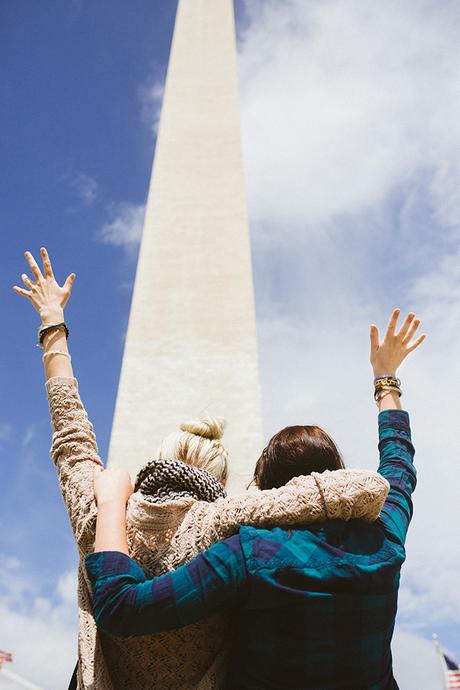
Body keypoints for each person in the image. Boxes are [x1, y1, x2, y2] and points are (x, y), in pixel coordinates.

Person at [13, 248, 390, 690]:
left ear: (157, 457)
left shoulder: (99, 515)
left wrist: (52, 325)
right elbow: (358, 489)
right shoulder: (229, 525)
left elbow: (72, 440)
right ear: (222, 480)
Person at [85, 308, 424, 690]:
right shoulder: (385, 536)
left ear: (268, 493)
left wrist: (113, 501)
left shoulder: (248, 554)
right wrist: (386, 379)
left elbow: (123, 609)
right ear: (337, 469)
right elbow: (399, 462)